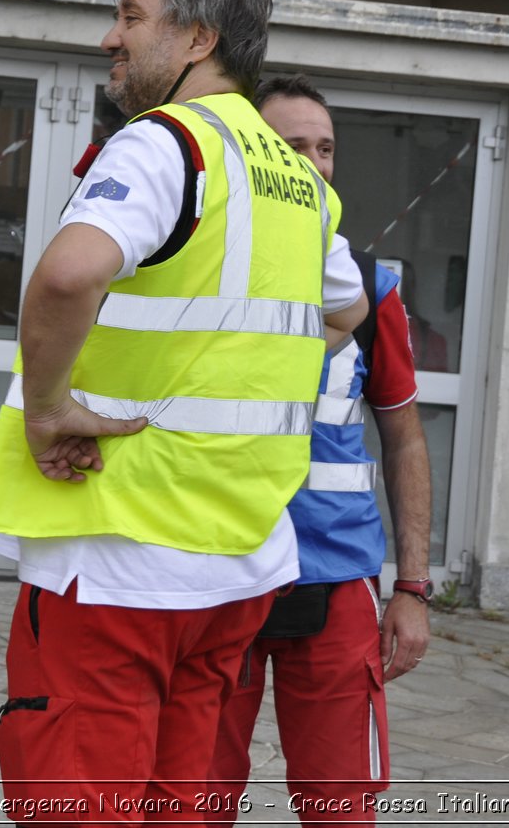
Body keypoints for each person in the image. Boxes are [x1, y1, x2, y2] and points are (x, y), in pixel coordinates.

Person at [0, 0, 367, 824]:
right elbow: (345, 306)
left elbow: (69, 275)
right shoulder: (297, 183)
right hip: (234, 568)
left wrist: (47, 409)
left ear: (197, 40)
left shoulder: (162, 146)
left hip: (116, 554)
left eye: (130, 16)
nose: (112, 37)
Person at [207, 75, 434, 825]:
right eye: (293, 145)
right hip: (219, 575)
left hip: (336, 585)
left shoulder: (371, 288)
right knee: (189, 799)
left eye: (326, 147)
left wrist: (412, 588)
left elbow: (403, 439)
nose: (314, 160)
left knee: (341, 809)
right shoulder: (209, 269)